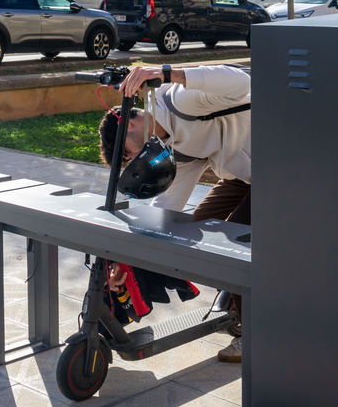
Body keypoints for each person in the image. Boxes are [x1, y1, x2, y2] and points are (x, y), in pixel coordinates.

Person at [98, 64, 251, 363]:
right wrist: (125, 258)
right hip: (242, 175)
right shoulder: (169, 145)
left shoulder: (180, 101)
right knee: (189, 228)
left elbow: (242, 81)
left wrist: (169, 74)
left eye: (127, 154)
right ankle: (238, 301)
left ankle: (255, 337)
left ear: (128, 124)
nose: (133, 160)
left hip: (277, 168)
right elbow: (166, 209)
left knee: (230, 249)